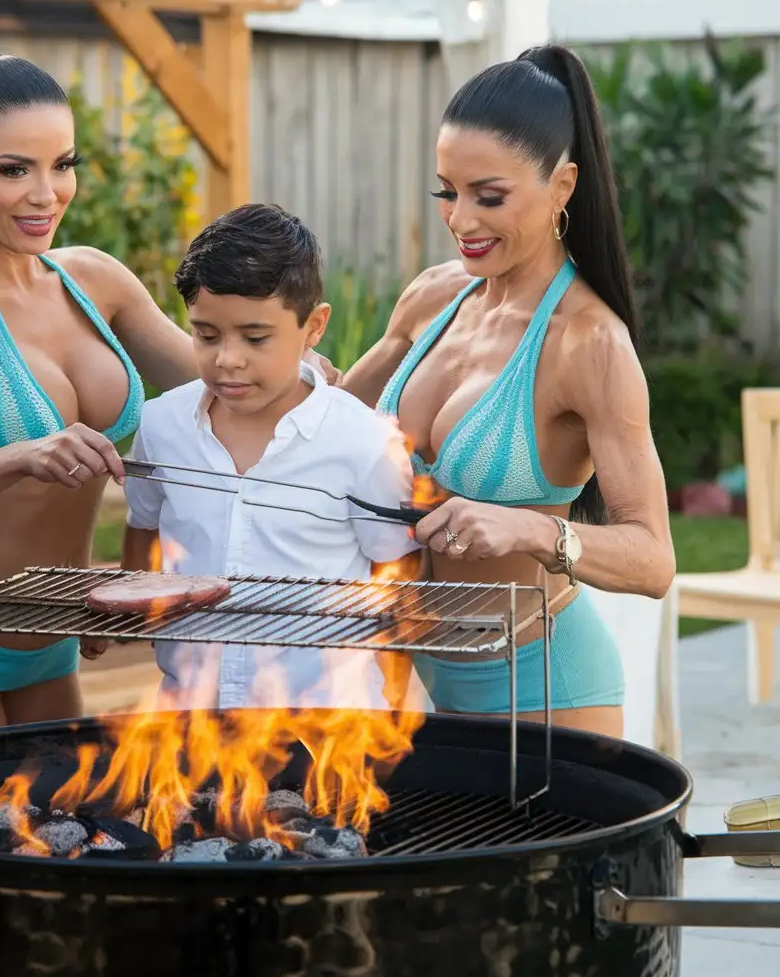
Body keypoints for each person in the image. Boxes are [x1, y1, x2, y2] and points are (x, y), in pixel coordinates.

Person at [342, 45, 676, 739]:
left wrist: (529, 527)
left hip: (543, 683)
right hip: (414, 669)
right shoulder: (432, 299)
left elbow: (653, 560)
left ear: (562, 186)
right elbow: (330, 424)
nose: (461, 221)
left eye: (489, 197)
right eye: (447, 192)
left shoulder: (588, 344)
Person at [0, 49, 199, 746]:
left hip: (54, 635)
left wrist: (300, 365)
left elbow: (219, 381)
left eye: (63, 164)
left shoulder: (95, 281)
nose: (46, 193)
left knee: (65, 843)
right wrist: (17, 457)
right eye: (14, 169)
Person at [121, 203, 429, 711]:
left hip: (328, 724)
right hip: (192, 718)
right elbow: (143, 523)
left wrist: (394, 699)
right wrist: (131, 616)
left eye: (256, 337)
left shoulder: (362, 440)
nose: (227, 359)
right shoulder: (161, 425)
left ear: (314, 327)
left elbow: (398, 572)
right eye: (206, 334)